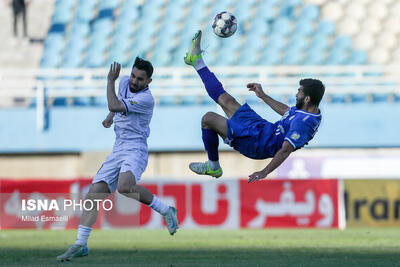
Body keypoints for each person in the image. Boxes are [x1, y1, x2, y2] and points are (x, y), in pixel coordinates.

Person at [57, 58, 179, 261]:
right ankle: (81, 244)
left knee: (125, 187)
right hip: (118, 147)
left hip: (135, 148)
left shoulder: (146, 99)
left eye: (140, 79)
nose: (133, 81)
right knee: (92, 196)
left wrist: (108, 81)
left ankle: (166, 210)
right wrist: (110, 117)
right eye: (133, 75)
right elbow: (117, 105)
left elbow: (114, 103)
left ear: (148, 81)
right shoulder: (123, 82)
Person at [184, 30, 325, 183]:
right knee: (227, 100)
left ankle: (213, 166)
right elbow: (287, 111)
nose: (296, 94)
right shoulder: (309, 110)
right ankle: (197, 61)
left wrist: (264, 172)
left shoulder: (302, 124)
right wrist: (263, 95)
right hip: (264, 129)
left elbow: (285, 150)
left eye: (299, 92)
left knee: (208, 118)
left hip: (257, 143)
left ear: (307, 98)